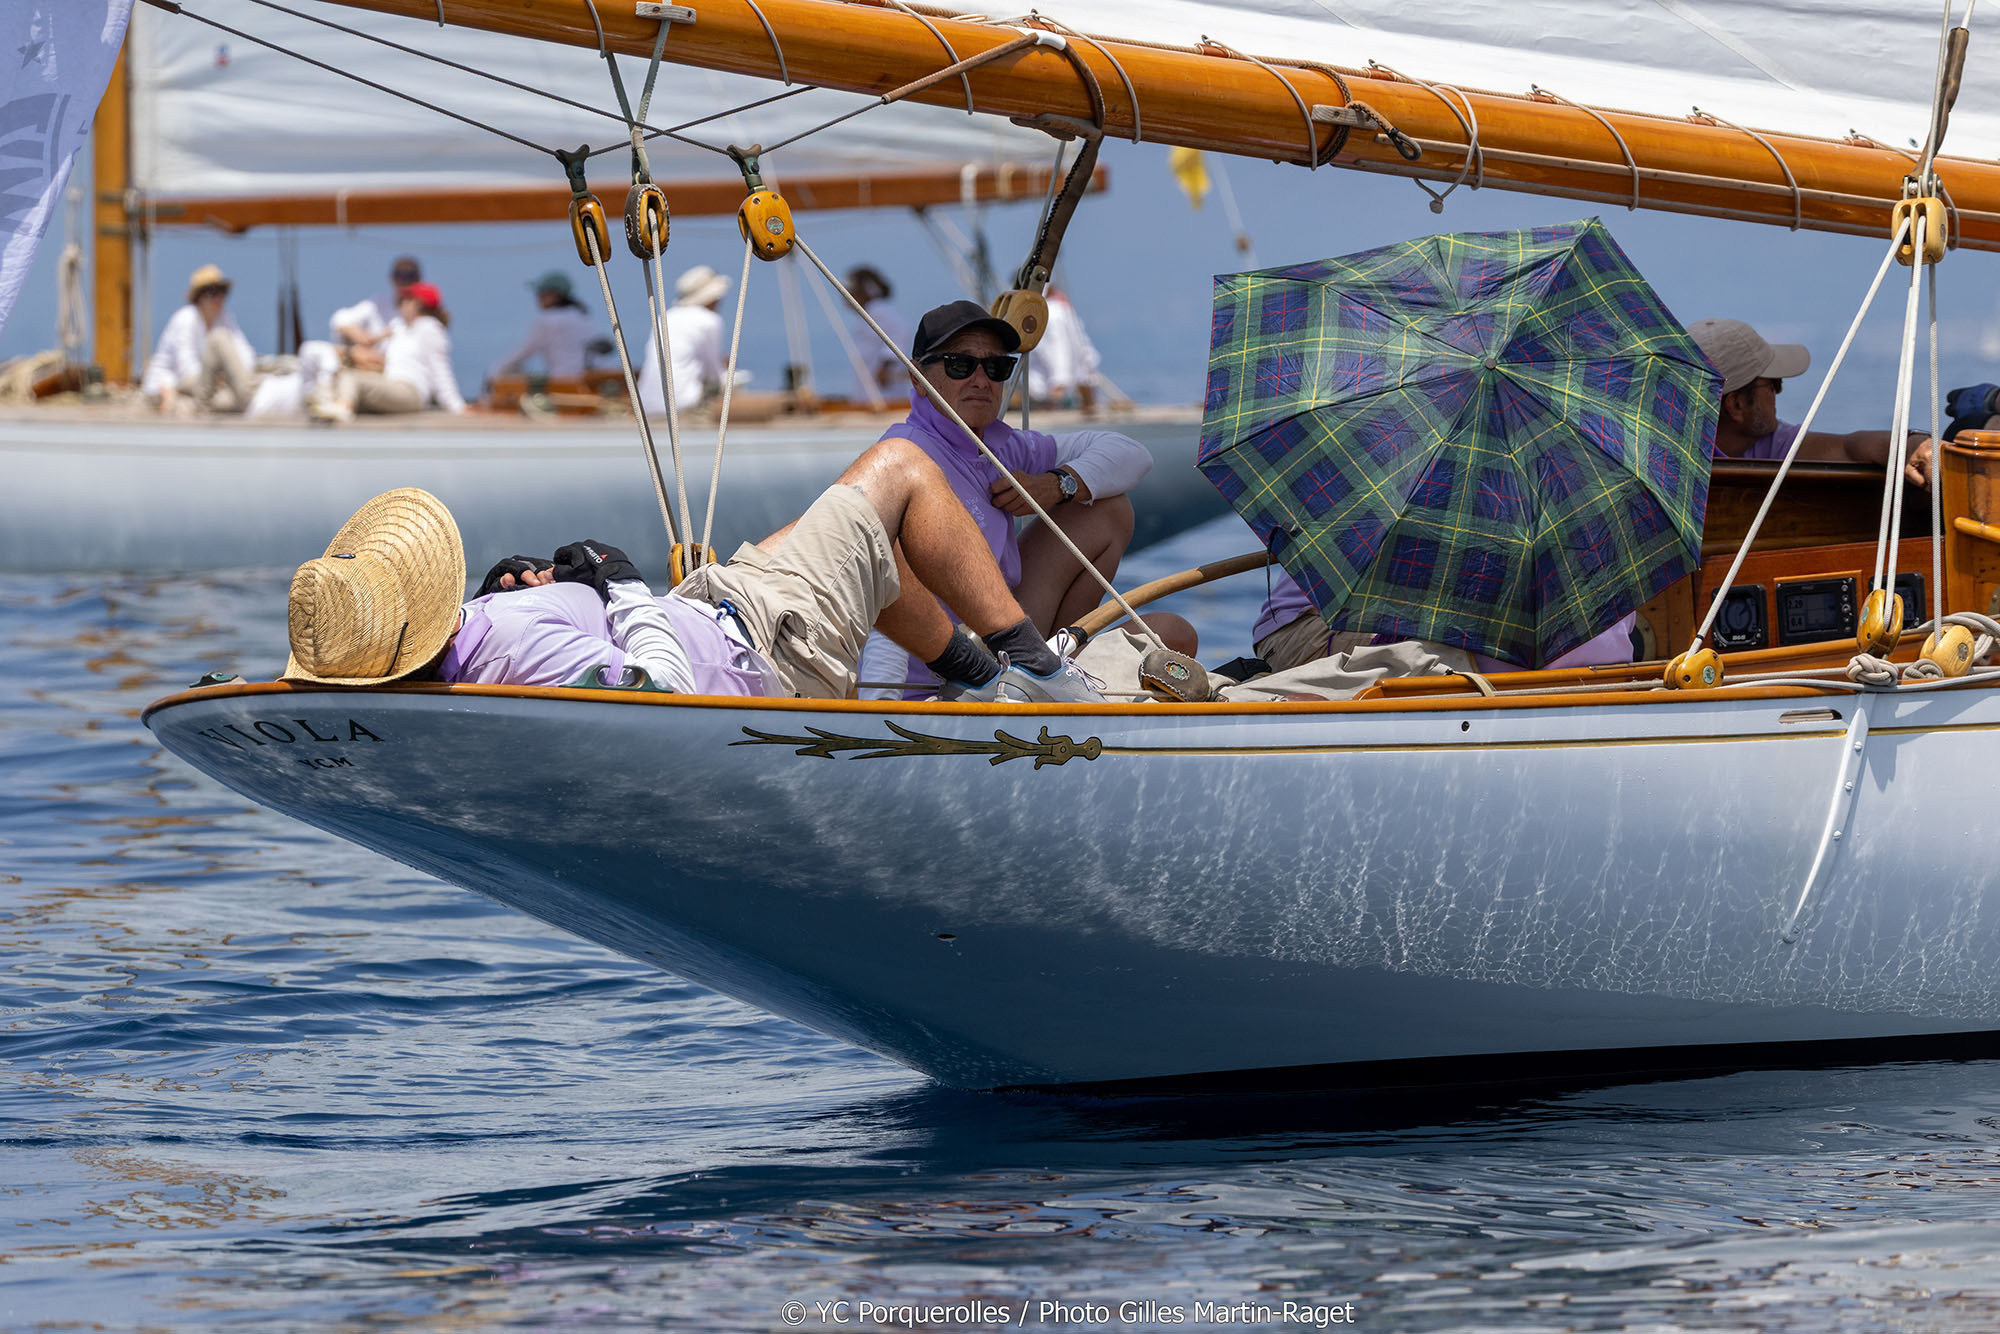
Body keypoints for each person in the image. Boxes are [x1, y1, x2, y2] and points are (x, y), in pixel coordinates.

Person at [280, 444, 1106, 705]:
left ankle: (977, 679)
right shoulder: (508, 651)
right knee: (898, 471)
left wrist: (539, 589)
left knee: (863, 548)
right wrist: (617, 582)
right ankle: (1038, 674)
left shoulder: (464, 644)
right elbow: (659, 697)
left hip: (725, 610)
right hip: (762, 654)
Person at [857, 299, 1184, 695]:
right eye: (961, 365)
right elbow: (886, 592)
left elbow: (1133, 454)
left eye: (996, 367)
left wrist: (1057, 485)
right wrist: (882, 707)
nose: (981, 380)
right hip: (940, 680)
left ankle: (1055, 668)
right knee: (1166, 645)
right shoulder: (902, 457)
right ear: (917, 377)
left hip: (1005, 644)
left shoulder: (1004, 446)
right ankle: (1051, 681)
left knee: (1172, 628)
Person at [1690, 317, 1934, 486]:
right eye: (1773, 384)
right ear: (1737, 406)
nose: (1777, 393)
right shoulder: (1674, 463)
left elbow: (1849, 447)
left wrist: (1915, 446)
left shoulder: (1767, 442)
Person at [315, 282, 464, 420]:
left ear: (417, 304)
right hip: (393, 384)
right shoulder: (402, 327)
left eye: (405, 300)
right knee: (344, 381)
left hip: (411, 390)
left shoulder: (429, 328)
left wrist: (457, 406)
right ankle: (332, 405)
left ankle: (341, 409)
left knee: (352, 379)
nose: (400, 305)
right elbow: (344, 323)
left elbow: (440, 371)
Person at [140, 264, 259, 415]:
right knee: (219, 340)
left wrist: (231, 376)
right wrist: (218, 378)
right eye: (212, 292)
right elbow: (186, 369)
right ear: (199, 298)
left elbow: (245, 353)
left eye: (222, 292)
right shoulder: (185, 319)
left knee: (229, 399)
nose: (219, 298)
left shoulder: (224, 318)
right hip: (173, 383)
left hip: (208, 385)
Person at [636, 264, 730, 415]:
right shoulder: (709, 320)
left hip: (646, 403)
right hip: (683, 403)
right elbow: (713, 374)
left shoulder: (667, 316)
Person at [490, 271, 594, 382]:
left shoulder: (548, 321)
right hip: (588, 377)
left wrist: (494, 373)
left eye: (542, 293)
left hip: (563, 381)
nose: (538, 298)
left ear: (555, 295)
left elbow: (524, 352)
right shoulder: (582, 316)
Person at [329, 255, 422, 371]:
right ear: (392, 278)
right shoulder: (379, 303)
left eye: (409, 277)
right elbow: (340, 319)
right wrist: (361, 336)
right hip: (369, 365)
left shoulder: (424, 314)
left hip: (400, 370)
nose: (403, 282)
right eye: (399, 276)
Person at [1027, 285, 1103, 414]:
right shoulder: (1058, 311)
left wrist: (1059, 383)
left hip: (1048, 392)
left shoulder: (1051, 312)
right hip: (1055, 389)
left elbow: (1059, 353)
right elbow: (1074, 348)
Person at [846, 265, 912, 391]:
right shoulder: (867, 314)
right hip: (870, 389)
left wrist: (885, 366)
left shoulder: (877, 310)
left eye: (851, 290)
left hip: (886, 392)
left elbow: (901, 331)